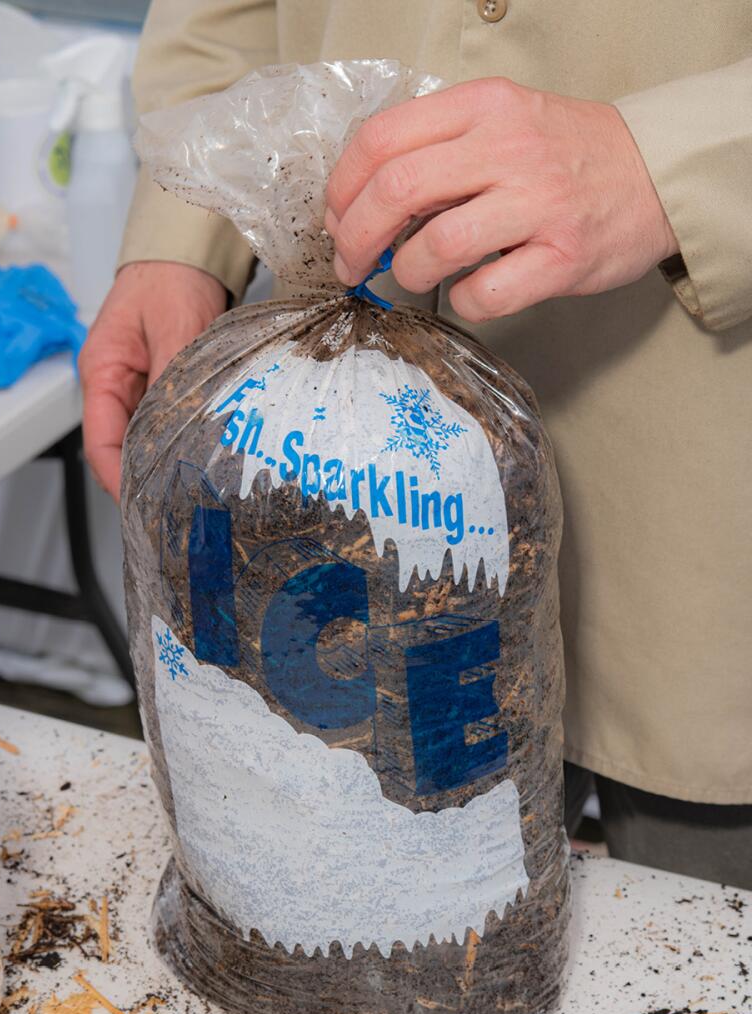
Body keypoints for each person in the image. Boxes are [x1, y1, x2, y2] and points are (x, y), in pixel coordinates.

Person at [79, 4, 751, 885]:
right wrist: (179, 238)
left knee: (703, 970)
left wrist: (673, 159)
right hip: (332, 468)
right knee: (324, 899)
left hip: (702, 465)